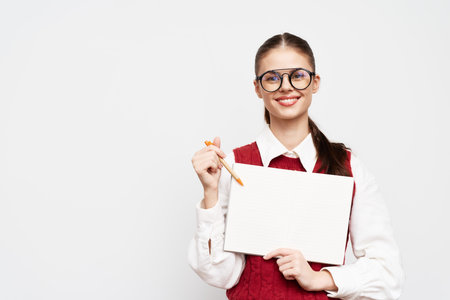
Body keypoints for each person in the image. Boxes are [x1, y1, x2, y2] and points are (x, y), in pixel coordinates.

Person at [188, 32, 404, 299]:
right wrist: (210, 193)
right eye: (272, 78)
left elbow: (387, 274)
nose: (285, 86)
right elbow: (222, 276)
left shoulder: (348, 166)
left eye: (298, 75)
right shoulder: (234, 165)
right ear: (257, 88)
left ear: (315, 83)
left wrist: (317, 278)